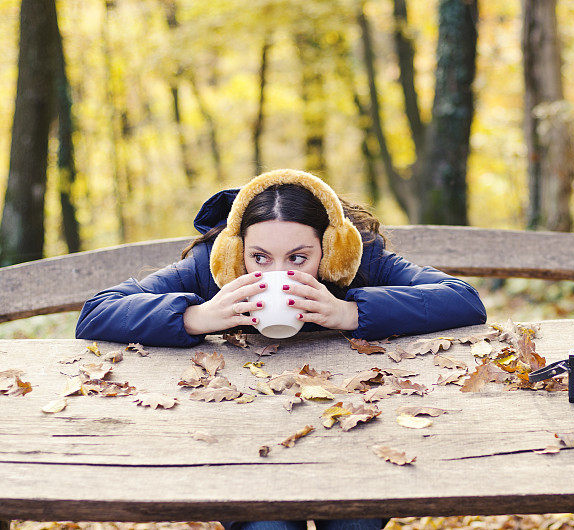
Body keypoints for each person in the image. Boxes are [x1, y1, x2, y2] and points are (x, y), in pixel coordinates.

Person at [75, 168, 487, 530]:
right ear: (236, 253)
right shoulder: (214, 266)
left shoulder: (359, 259)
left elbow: (464, 299)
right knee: (265, 521)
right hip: (241, 437)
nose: (278, 274)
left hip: (350, 436)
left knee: (354, 516)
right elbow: (96, 312)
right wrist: (196, 316)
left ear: (330, 250)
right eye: (260, 258)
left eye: (298, 258)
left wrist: (350, 312)